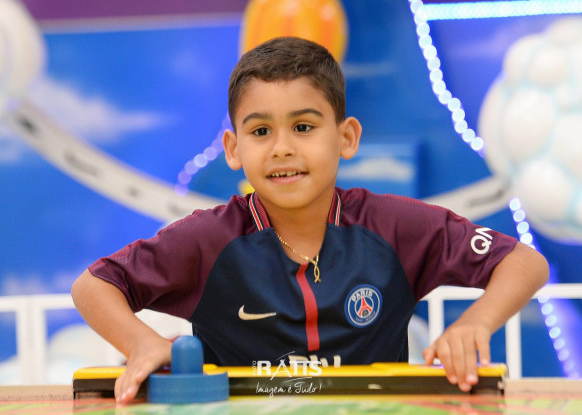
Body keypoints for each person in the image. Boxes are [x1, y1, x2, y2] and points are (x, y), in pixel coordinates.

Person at [71, 36, 549, 404]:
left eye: (303, 127)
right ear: (234, 149)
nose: (282, 148)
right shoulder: (206, 239)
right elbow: (93, 286)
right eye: (261, 131)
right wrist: (141, 343)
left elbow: (524, 262)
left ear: (346, 138)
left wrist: (474, 325)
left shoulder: (395, 227)